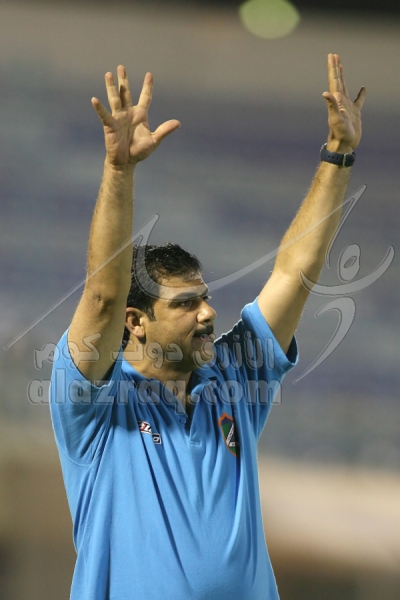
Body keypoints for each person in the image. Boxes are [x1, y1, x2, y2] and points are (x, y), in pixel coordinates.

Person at [50, 54, 366, 599]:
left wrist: (338, 153)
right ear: (136, 322)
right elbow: (102, 296)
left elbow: (294, 272)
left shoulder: (233, 379)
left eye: (206, 298)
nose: (207, 313)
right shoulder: (94, 404)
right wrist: (119, 172)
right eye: (185, 304)